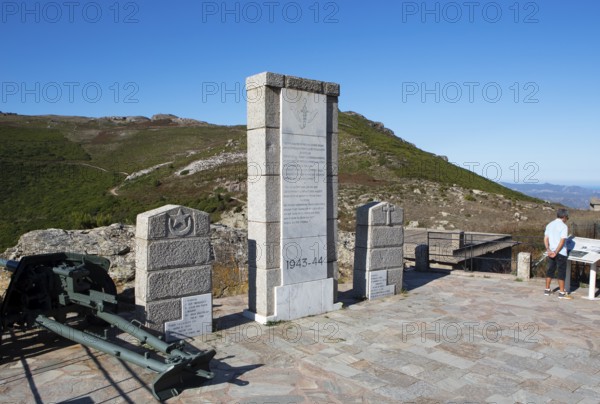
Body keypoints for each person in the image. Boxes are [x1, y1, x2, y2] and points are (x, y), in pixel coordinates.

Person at [544, 208, 572, 299]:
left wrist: (548, 249)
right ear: (564, 216)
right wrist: (556, 251)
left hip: (550, 251)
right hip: (560, 252)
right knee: (561, 272)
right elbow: (562, 241)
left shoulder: (549, 224)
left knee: (550, 270)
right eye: (567, 217)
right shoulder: (563, 226)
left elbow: (546, 238)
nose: (567, 219)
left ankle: (547, 289)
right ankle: (561, 292)